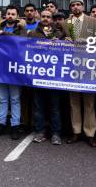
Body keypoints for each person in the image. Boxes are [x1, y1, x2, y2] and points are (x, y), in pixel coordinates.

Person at [29, 9, 67, 145]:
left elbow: (67, 53)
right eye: (43, 16)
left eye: (48, 17)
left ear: (52, 19)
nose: (45, 18)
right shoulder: (33, 33)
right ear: (40, 18)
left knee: (55, 107)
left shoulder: (60, 33)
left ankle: (56, 133)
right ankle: (40, 131)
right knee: (39, 106)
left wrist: (62, 43)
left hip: (54, 77)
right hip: (38, 76)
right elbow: (25, 50)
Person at [66, 0, 96, 147]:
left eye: (78, 4)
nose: (76, 7)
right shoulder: (66, 23)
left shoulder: (93, 21)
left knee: (89, 102)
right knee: (74, 101)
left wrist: (86, 41)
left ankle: (90, 133)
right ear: (70, 7)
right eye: (73, 5)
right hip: (72, 66)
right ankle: (76, 131)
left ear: (83, 6)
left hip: (88, 66)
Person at [0, 5, 26, 140]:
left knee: (15, 99)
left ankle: (15, 125)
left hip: (15, 68)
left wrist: (5, 35)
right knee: (2, 98)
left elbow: (22, 43)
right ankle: (1, 123)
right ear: (5, 15)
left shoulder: (21, 29)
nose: (10, 16)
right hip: (0, 67)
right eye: (8, 13)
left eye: (13, 14)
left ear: (17, 16)